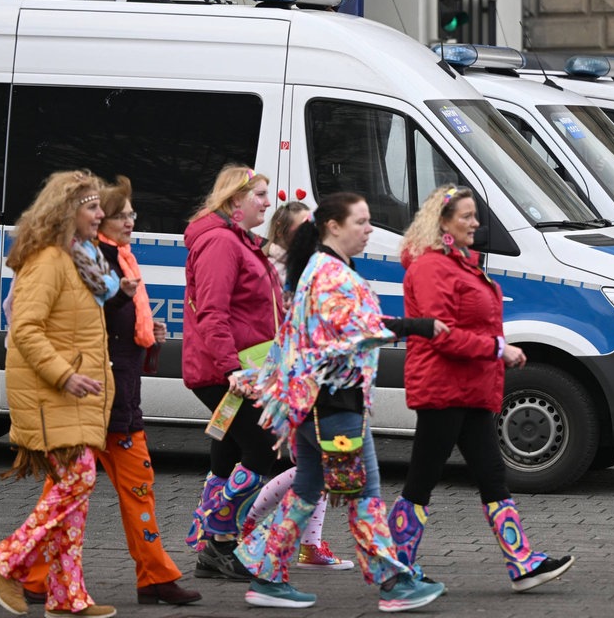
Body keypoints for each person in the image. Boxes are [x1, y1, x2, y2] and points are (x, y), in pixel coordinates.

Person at [232, 192, 448, 612]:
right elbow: (355, 329)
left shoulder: (323, 268)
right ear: (333, 226)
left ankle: (267, 573)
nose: (369, 230)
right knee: (363, 493)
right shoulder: (329, 273)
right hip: (334, 409)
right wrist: (417, 325)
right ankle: (392, 584)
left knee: (307, 490)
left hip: (318, 407)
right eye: (361, 222)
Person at [18, 177, 201, 607]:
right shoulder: (92, 262)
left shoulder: (118, 259)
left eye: (129, 214)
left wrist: (145, 330)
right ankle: (27, 571)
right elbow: (70, 326)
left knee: (103, 488)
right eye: (120, 214)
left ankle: (149, 574)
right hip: (98, 398)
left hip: (117, 395)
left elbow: (113, 323)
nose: (127, 222)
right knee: (70, 490)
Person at [388, 185, 575, 593]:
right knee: (422, 480)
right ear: (444, 224)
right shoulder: (432, 267)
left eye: (476, 215)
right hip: (443, 387)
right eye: (467, 216)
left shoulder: (459, 263)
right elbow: (441, 334)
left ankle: (523, 563)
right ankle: (395, 568)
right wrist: (497, 349)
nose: (477, 223)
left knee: (492, 476)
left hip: (469, 387)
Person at [0, 170, 119, 618]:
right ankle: (9, 561)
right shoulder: (46, 259)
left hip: (71, 394)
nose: (102, 214)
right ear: (67, 210)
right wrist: (65, 376)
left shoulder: (77, 256)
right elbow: (25, 328)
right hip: (51, 393)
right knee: (79, 480)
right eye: (92, 206)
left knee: (74, 494)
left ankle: (67, 598)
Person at [240, 199, 354, 571]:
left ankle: (299, 542)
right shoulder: (281, 269)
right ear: (286, 232)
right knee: (314, 466)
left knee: (313, 465)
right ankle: (254, 522)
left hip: (307, 378)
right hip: (295, 381)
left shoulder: (309, 266)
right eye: (304, 225)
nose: (313, 230)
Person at [182, 165, 284, 580]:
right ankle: (222, 540)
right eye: (259, 194)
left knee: (228, 451)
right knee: (261, 450)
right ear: (233, 202)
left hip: (240, 367)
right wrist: (232, 369)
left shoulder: (239, 241)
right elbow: (212, 312)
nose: (267, 202)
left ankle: (212, 547)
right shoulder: (221, 243)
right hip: (226, 369)